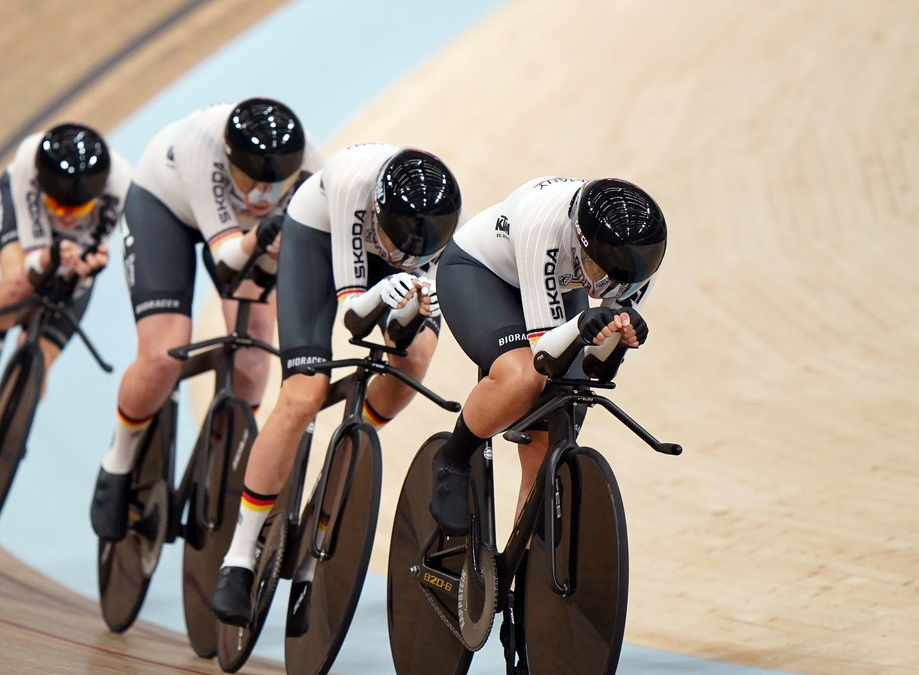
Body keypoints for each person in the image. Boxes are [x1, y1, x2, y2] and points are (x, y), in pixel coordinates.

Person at [210, 143, 462, 626]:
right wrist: (380, 295)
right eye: (392, 240)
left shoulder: (447, 221)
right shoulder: (352, 186)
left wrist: (410, 309)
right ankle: (238, 556)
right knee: (302, 395)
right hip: (320, 237)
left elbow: (401, 335)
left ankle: (337, 474)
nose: (397, 254)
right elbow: (353, 320)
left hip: (398, 265)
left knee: (413, 362)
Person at [90, 98, 323, 540]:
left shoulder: (311, 164)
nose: (261, 196)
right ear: (230, 161)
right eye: (250, 182)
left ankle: (221, 465)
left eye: (274, 186)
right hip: (167, 208)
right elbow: (226, 261)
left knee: (254, 348)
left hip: (246, 233)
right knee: (163, 353)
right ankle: (117, 461)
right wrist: (261, 237)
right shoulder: (202, 147)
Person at [429, 176, 668, 537]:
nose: (607, 288)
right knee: (522, 378)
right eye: (598, 271)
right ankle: (453, 460)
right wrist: (581, 326)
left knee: (550, 437)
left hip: (557, 283)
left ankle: (523, 567)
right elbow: (544, 356)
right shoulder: (542, 223)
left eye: (620, 283)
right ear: (578, 240)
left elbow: (595, 368)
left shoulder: (643, 258)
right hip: (482, 273)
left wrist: (620, 340)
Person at [0, 123, 131, 426]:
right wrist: (49, 258)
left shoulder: (121, 186)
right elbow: (34, 264)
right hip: (21, 212)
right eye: (58, 206)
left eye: (77, 209)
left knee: (42, 360)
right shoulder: (29, 161)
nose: (66, 216)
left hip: (75, 242)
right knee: (18, 283)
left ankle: (8, 431)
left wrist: (84, 270)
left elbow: (82, 266)